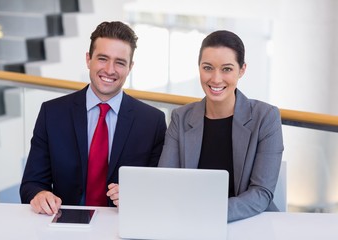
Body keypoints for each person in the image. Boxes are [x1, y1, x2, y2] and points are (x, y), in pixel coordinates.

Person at [20, 21, 167, 215]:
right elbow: (32, 183)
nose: (110, 70)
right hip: (65, 224)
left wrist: (137, 195)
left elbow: (159, 191)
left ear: (130, 67)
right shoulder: (52, 113)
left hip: (122, 224)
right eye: (103, 58)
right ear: (88, 59)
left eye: (120, 62)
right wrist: (39, 195)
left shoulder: (152, 121)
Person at [158, 30, 284, 222]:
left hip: (249, 223)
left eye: (226, 69)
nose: (216, 79)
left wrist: (209, 214)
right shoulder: (180, 118)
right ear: (199, 67)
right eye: (208, 68)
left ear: (242, 70)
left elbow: (261, 193)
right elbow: (166, 182)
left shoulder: (266, 117)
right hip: (191, 225)